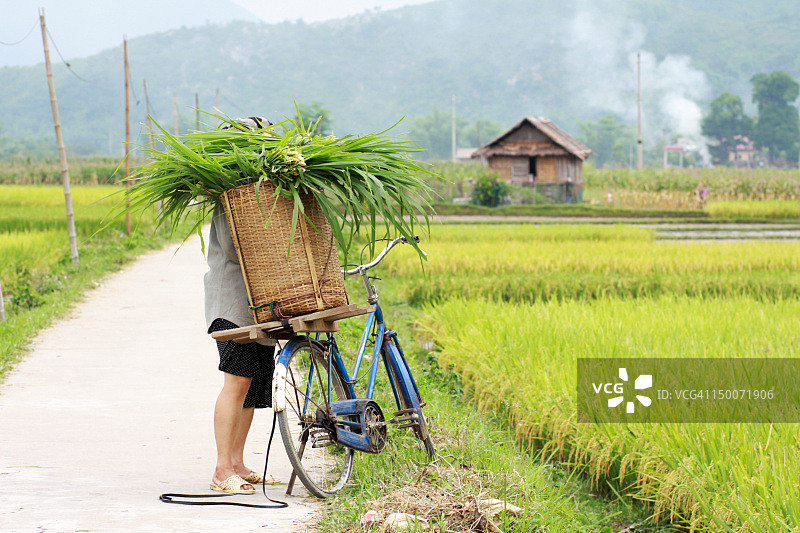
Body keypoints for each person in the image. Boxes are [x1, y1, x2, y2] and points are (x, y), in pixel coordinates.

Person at [204, 117, 281, 495]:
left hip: (260, 305)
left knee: (252, 386)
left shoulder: (258, 192)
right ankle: (221, 470)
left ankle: (238, 462)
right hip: (232, 303)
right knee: (236, 383)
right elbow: (238, 249)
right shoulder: (231, 194)